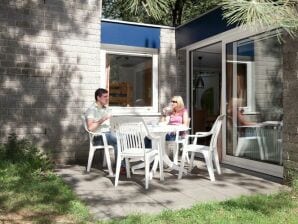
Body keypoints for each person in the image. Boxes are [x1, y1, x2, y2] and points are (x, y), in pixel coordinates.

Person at [85, 88, 125, 174]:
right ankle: (121, 167)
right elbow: (90, 128)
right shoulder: (92, 110)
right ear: (98, 98)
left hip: (108, 134)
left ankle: (123, 166)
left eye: (108, 96)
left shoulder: (106, 109)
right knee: (118, 140)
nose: (107, 98)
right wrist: (102, 119)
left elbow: (109, 123)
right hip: (98, 137)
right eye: (105, 97)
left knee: (126, 138)